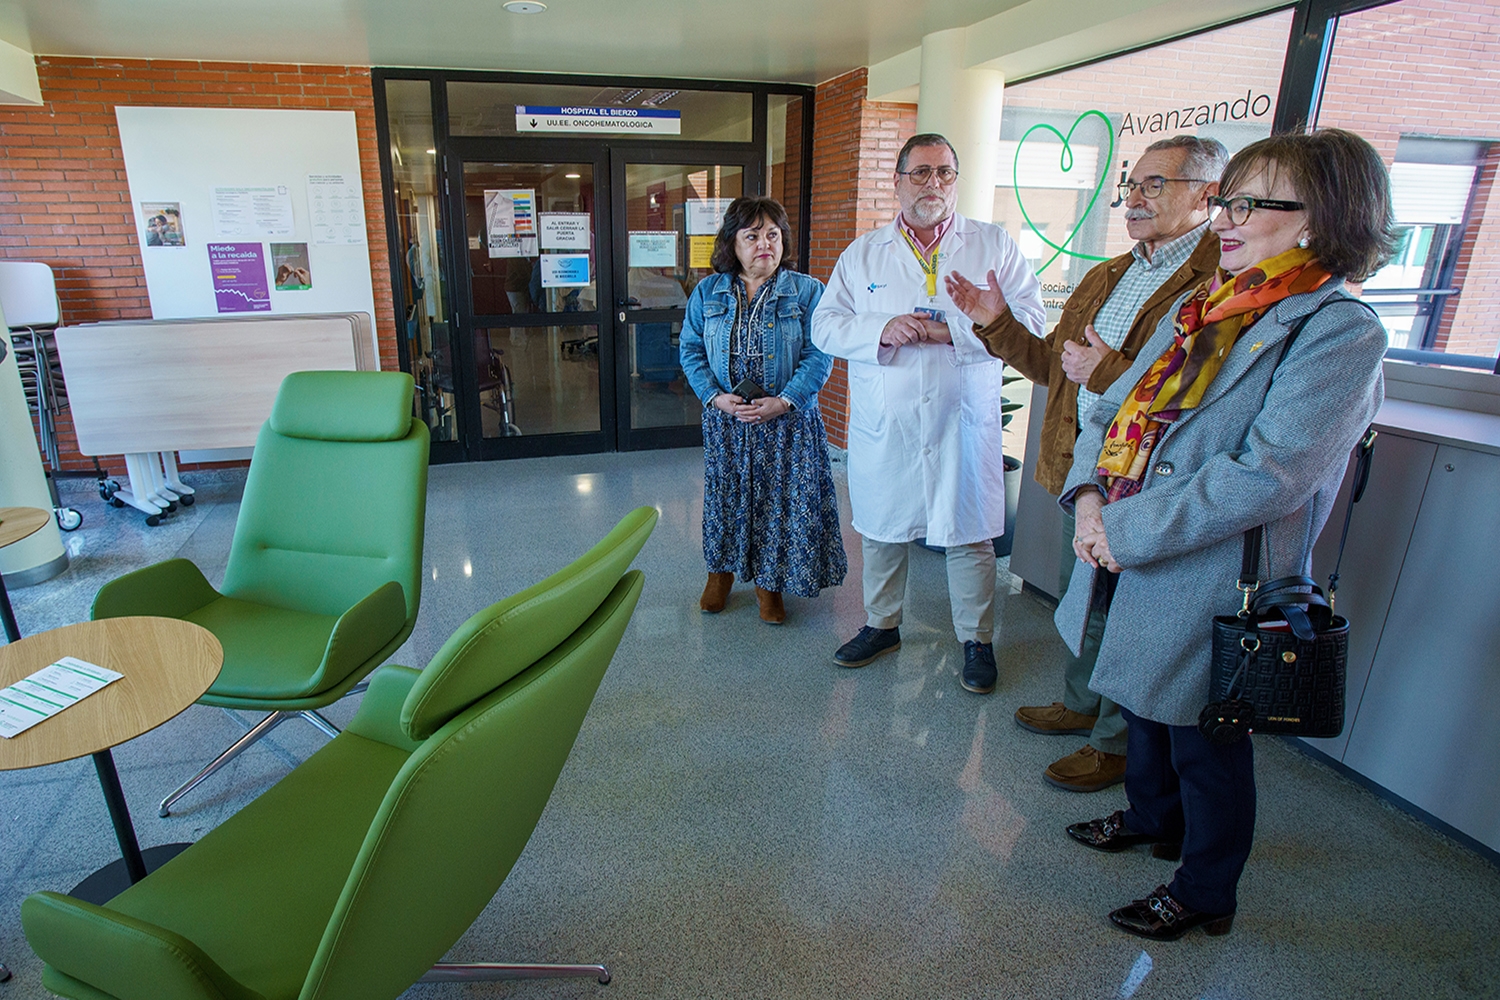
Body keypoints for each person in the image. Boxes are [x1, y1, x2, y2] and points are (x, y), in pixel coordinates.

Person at [1054, 129, 1394, 940]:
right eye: (1227, 200)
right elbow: (1117, 406)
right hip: (1129, 538)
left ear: (1320, 217)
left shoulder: (1339, 330)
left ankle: (1206, 888)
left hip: (1208, 567)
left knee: (1203, 737)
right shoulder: (1205, 302)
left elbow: (1269, 474)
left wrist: (1122, 529)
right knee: (1138, 699)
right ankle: (1149, 817)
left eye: (1248, 203)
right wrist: (1092, 496)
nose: (1225, 218)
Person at [944, 135, 1227, 792]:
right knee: (1088, 596)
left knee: (1132, 616)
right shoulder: (1109, 275)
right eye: (1132, 184)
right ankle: (1080, 706)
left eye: (1155, 185)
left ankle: (1116, 745)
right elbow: (1052, 366)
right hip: (1087, 471)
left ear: (1207, 196)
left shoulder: (1217, 283)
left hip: (1151, 476)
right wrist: (996, 321)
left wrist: (1112, 369)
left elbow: (1199, 396)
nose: (1134, 198)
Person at [811, 133, 1045, 693]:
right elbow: (825, 325)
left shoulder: (993, 245)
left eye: (943, 172)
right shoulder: (862, 252)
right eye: (920, 173)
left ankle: (976, 640)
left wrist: (954, 330)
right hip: (887, 420)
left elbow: (1033, 324)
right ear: (896, 182)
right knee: (883, 528)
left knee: (968, 535)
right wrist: (880, 328)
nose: (932, 184)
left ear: (955, 181)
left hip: (961, 418)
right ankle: (881, 625)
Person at [679, 196, 847, 624]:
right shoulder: (707, 291)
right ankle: (720, 575)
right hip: (727, 421)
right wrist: (715, 397)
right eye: (751, 235)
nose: (764, 244)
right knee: (725, 498)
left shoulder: (808, 291)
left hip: (787, 422)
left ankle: (769, 587)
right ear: (732, 243)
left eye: (772, 234)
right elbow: (691, 350)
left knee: (777, 503)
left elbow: (819, 354)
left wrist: (785, 400)